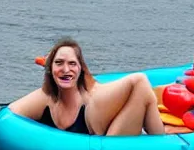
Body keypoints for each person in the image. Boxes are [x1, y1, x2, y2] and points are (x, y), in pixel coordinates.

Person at [9, 38, 165, 136]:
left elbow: (139, 80)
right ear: (50, 69)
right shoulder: (44, 98)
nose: (65, 70)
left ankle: (164, 142)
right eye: (59, 63)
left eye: (72, 64)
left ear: (80, 70)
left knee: (142, 88)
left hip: (112, 148)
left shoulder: (92, 98)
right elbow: (9, 116)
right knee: (145, 94)